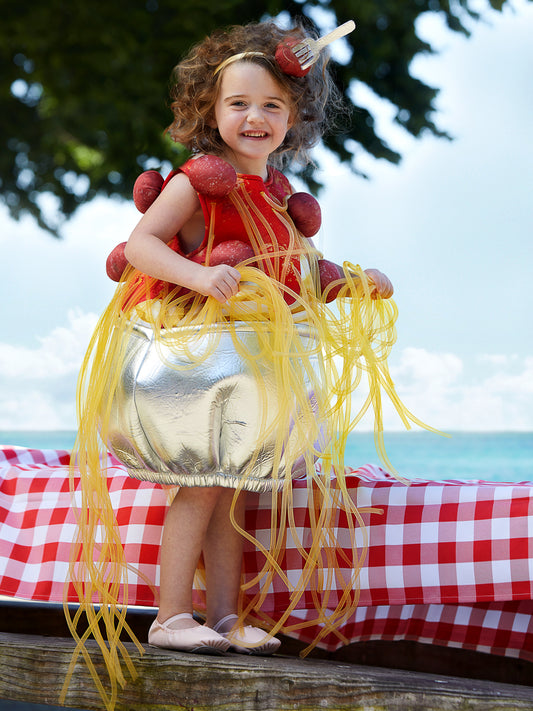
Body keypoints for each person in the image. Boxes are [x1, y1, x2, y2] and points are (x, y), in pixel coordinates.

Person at [64, 19, 424, 711]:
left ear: (293, 119)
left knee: (236, 490)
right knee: (199, 485)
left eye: (270, 106)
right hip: (197, 360)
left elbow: (298, 275)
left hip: (249, 368)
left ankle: (223, 617)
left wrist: (353, 280)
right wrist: (198, 280)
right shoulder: (197, 186)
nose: (253, 117)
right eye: (237, 104)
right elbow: (141, 245)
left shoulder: (278, 197)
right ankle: (172, 616)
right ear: (209, 109)